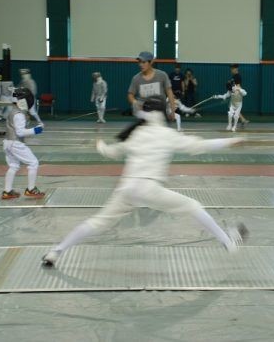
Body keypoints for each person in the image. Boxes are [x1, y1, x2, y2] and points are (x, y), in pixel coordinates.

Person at [41, 96, 248, 267]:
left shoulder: (138, 132)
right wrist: (230, 141)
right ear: (161, 112)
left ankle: (55, 252)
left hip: (126, 189)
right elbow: (199, 146)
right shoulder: (166, 134)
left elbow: (112, 151)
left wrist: (100, 144)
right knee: (193, 206)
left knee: (97, 222)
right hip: (148, 188)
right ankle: (228, 243)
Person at [1, 87, 45, 200]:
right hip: (15, 143)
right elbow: (20, 132)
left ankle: (7, 191)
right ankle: (31, 189)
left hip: (7, 143)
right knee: (34, 163)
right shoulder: (19, 114)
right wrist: (35, 130)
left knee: (14, 166)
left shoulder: (13, 111)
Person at [127, 51, 177, 120]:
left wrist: (172, 110)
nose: (140, 65)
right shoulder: (136, 78)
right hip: (143, 114)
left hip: (160, 113)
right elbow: (130, 95)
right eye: (139, 62)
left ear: (151, 62)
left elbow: (170, 93)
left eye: (144, 62)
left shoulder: (162, 75)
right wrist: (135, 103)